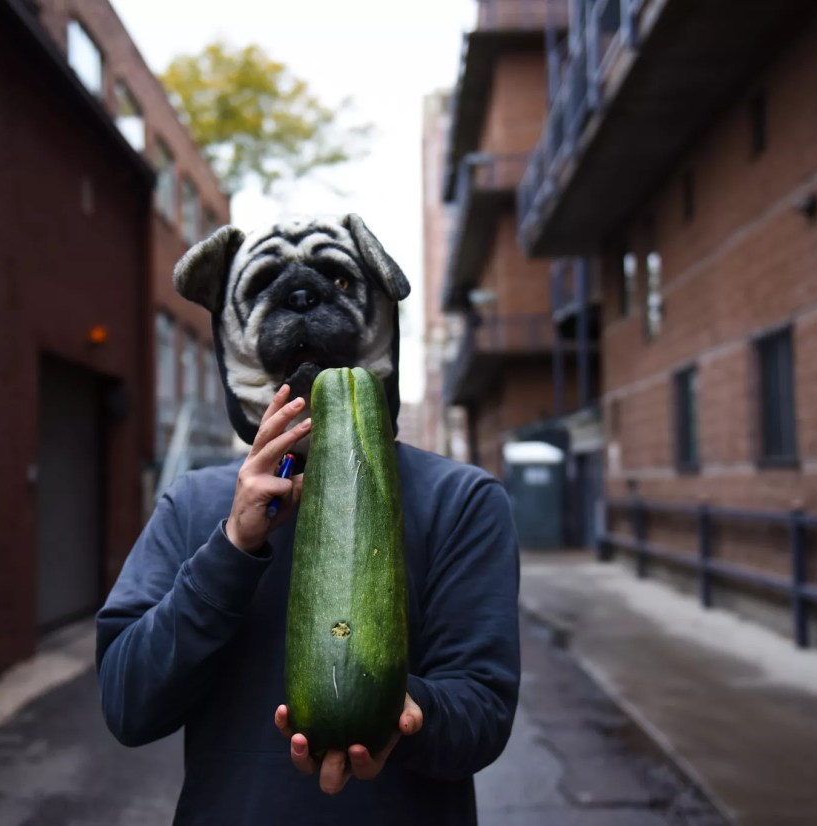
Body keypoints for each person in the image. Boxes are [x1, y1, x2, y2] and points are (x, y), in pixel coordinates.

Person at [95, 216, 520, 825]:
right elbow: (128, 705)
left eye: (342, 282)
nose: (302, 303)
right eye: (267, 286)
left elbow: (483, 714)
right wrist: (232, 545)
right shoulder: (192, 505)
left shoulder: (463, 501)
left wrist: (398, 716)